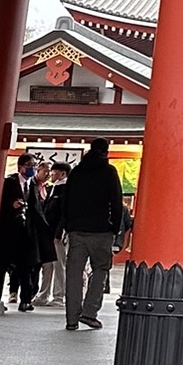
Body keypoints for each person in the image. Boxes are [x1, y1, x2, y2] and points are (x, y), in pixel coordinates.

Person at [59, 138, 124, 330]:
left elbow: (66, 200)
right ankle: (89, 312)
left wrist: (68, 225)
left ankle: (71, 319)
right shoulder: (109, 171)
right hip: (101, 230)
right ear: (106, 151)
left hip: (77, 231)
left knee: (73, 273)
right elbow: (117, 201)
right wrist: (115, 228)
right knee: (100, 269)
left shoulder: (77, 171)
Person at [0, 152, 47, 311]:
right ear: (20, 167)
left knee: (26, 267)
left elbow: (36, 209)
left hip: (27, 232)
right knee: (2, 266)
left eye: (34, 166)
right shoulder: (9, 183)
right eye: (29, 166)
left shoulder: (33, 185)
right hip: (9, 230)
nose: (32, 169)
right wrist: (11, 206)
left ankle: (25, 300)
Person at [35, 161, 71, 307]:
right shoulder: (52, 188)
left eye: (55, 172)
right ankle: (43, 294)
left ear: (62, 174)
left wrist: (60, 232)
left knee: (59, 264)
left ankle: (58, 296)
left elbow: (65, 213)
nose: (51, 174)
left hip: (58, 232)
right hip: (47, 232)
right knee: (47, 265)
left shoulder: (66, 189)